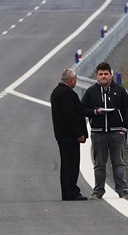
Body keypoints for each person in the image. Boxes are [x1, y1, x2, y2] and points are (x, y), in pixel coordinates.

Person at [81, 62, 128, 199]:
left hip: (117, 133)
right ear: (96, 76)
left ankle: (122, 189)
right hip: (98, 133)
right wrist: (95, 112)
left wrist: (124, 128)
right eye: (100, 74)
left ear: (111, 75)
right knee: (99, 164)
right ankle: (98, 191)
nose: (103, 76)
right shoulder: (91, 92)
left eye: (106, 74)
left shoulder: (120, 91)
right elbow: (82, 109)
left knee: (118, 163)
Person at [50, 68, 89, 201]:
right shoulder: (67, 94)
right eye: (75, 80)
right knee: (71, 165)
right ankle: (71, 192)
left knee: (66, 165)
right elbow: (71, 117)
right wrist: (79, 133)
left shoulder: (56, 92)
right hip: (69, 136)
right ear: (72, 80)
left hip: (62, 135)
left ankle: (67, 192)